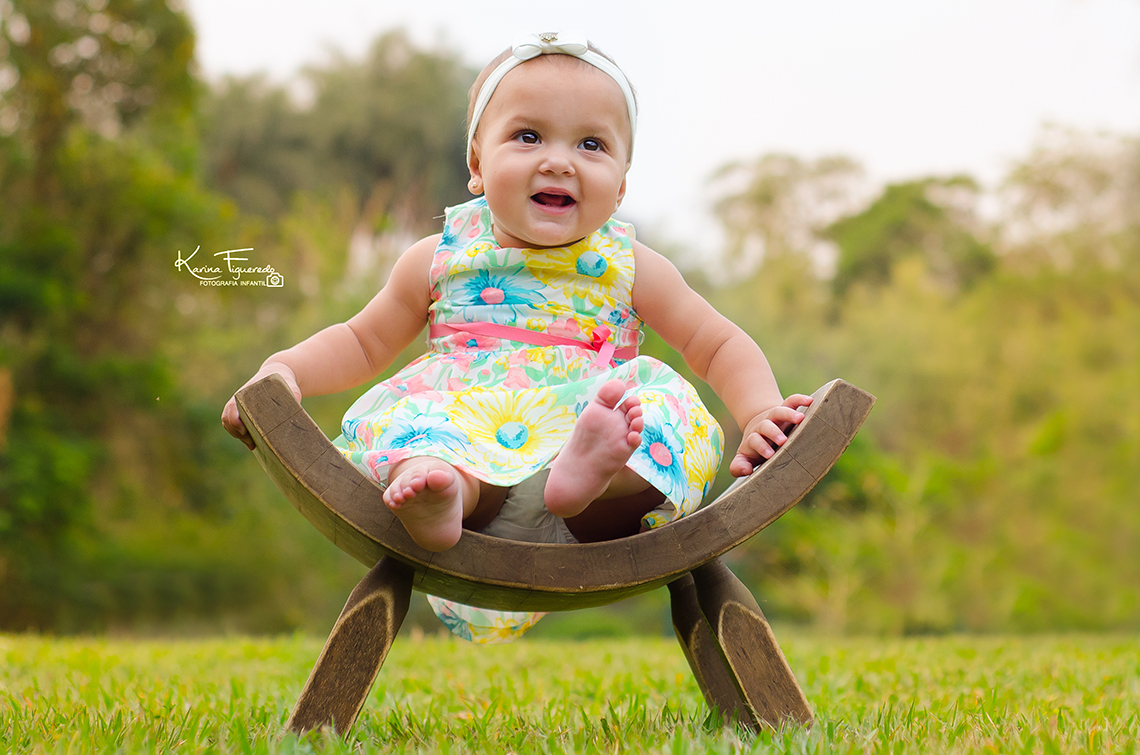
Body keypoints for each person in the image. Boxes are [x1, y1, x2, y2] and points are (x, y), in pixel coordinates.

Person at [222, 31, 811, 643]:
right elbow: (361, 342)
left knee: (650, 417)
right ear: (477, 165)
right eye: (527, 137)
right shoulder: (440, 257)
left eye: (591, 144)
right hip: (478, 439)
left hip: (590, 480)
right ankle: (441, 492)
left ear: (622, 184)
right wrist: (284, 370)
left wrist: (760, 409)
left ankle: (590, 473)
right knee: (423, 426)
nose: (558, 160)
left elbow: (714, 342)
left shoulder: (630, 263)